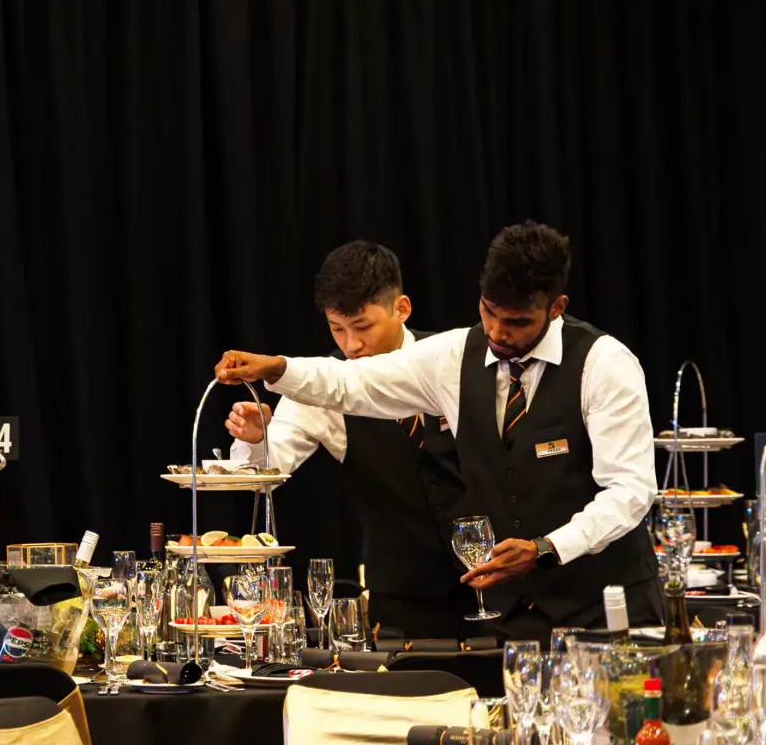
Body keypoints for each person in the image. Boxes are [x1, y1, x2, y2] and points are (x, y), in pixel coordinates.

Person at [213, 221, 663, 645]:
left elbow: (630, 489)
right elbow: (350, 383)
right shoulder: (453, 355)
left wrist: (546, 547)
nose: (498, 332)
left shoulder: (604, 364)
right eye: (488, 312)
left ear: (557, 308)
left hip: (605, 602)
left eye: (518, 322)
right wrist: (276, 368)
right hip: (509, 615)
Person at [224, 241, 472, 638]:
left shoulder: (452, 359)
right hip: (400, 601)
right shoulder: (321, 385)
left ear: (402, 308)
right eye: (337, 329)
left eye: (362, 327)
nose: (350, 345)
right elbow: (267, 472)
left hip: (493, 587)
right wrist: (258, 438)